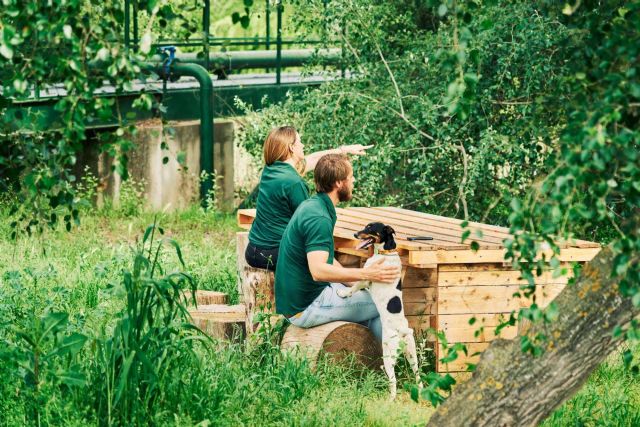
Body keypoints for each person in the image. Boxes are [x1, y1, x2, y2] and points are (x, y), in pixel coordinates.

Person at [274, 154, 401, 342]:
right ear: (339, 183)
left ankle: (371, 357)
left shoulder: (315, 205)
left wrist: (353, 283)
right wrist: (367, 275)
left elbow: (326, 257)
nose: (354, 181)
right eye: (351, 177)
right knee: (380, 301)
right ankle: (384, 362)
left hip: (298, 300)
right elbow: (318, 271)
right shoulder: (319, 218)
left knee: (366, 294)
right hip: (306, 306)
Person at [245, 126, 371, 271]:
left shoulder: (272, 170)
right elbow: (308, 223)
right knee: (324, 255)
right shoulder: (293, 182)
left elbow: (312, 159)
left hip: (253, 250)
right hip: (273, 254)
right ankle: (348, 284)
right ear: (291, 147)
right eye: (300, 142)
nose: (303, 145)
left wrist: (343, 150)